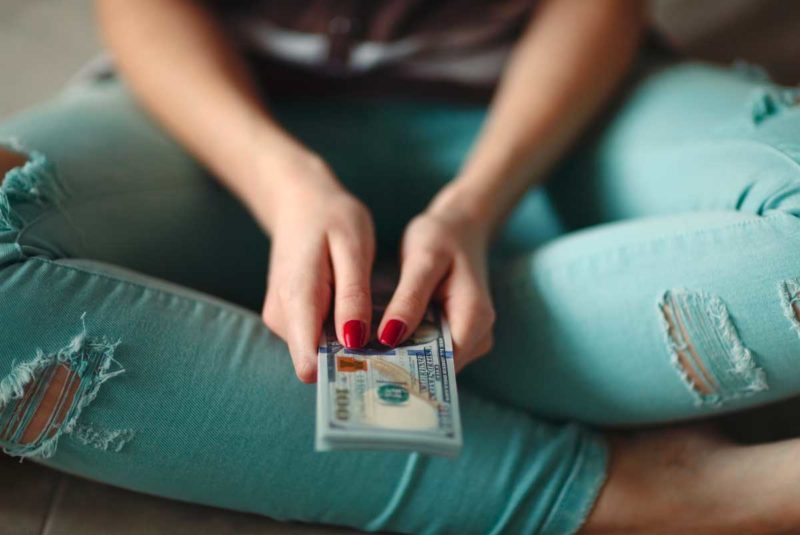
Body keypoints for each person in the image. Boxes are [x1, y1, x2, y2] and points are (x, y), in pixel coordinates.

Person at [2, 0, 800, 532]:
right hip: (210, 128)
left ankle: (230, 374)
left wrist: (473, 206)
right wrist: (286, 186)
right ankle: (609, 492)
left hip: (552, 112)